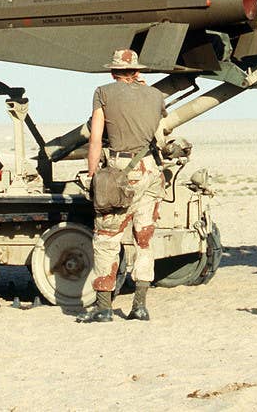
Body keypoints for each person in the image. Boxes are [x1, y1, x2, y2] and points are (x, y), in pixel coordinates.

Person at [77, 49, 166, 323]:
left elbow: (95, 139)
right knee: (144, 240)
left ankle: (104, 307)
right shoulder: (156, 96)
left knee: (106, 238)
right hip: (151, 171)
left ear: (112, 71)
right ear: (137, 71)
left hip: (120, 171)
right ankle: (140, 305)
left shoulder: (103, 92)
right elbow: (160, 135)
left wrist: (93, 175)